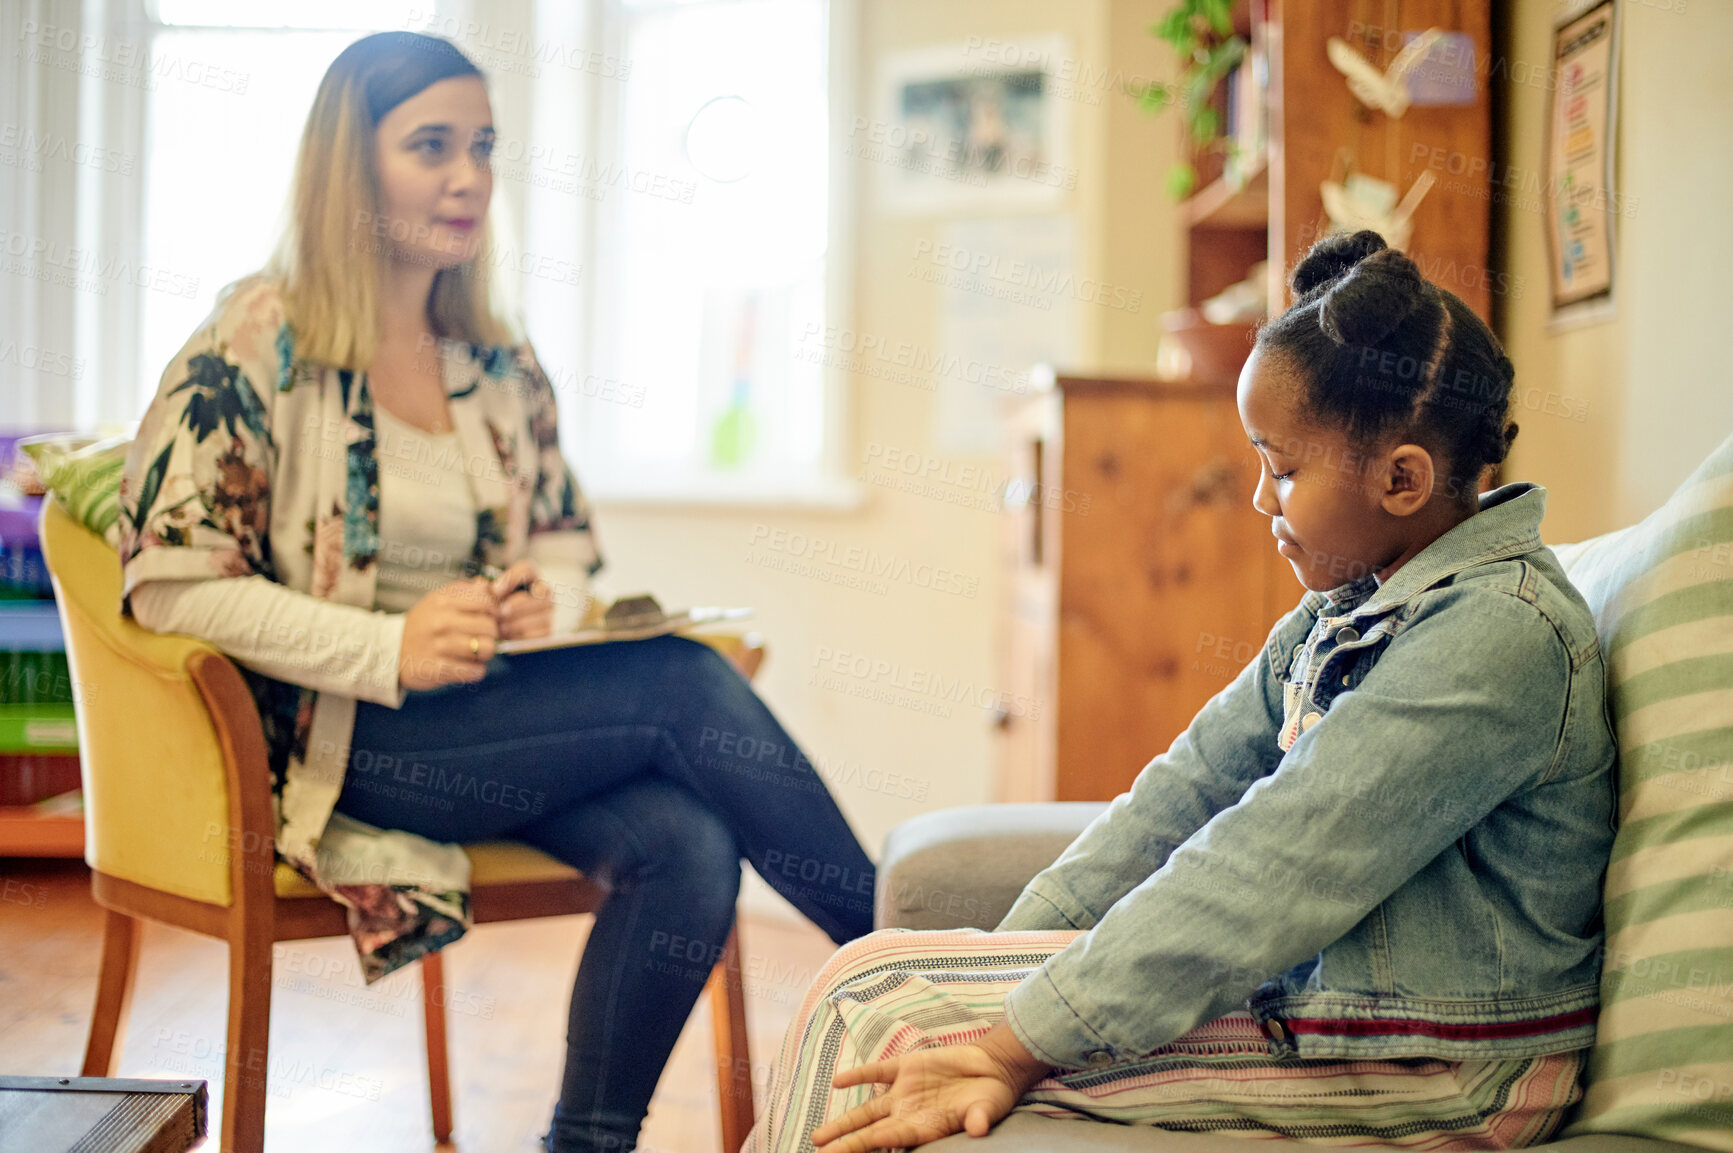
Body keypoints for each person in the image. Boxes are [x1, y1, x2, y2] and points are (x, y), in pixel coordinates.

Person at [115, 31, 877, 1153]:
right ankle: (934, 969)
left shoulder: (497, 359)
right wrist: (389, 647)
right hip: (341, 741)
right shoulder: (251, 342)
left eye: (481, 146)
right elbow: (172, 589)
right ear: (348, 164)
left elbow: (565, 550)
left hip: (491, 724)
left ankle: (581, 1146)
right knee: (677, 681)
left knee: (688, 840)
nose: (469, 176)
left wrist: (537, 604)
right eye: (431, 146)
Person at [749, 231, 1617, 1153]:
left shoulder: (1498, 639)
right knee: (880, 979)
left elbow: (1270, 863)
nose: (1257, 499)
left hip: (1456, 1061)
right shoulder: (1350, 606)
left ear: (1402, 478)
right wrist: (1000, 960)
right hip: (1350, 1014)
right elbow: (1177, 796)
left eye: (1281, 469)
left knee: (869, 1014)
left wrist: (1010, 1044)